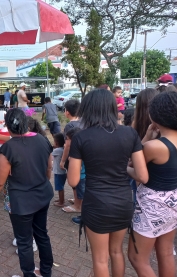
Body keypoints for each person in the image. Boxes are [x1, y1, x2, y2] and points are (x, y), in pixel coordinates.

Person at [67, 88, 148, 277]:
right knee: (116, 252)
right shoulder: (130, 133)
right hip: (123, 201)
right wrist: (122, 169)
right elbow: (143, 176)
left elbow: (73, 180)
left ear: (88, 109)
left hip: (97, 204)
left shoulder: (81, 137)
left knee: (100, 259)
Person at [0, 108, 54, 277]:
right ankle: (46, 272)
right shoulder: (42, 140)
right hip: (42, 196)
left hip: (21, 203)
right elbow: (48, 168)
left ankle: (29, 274)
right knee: (42, 235)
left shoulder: (8, 149)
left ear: (8, 127)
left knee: (24, 242)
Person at [128, 91, 177, 277]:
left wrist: (147, 137)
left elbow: (134, 167)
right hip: (172, 203)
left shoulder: (154, 147)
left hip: (153, 207)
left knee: (137, 257)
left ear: (154, 115)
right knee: (165, 252)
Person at [59, 99, 81, 208]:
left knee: (74, 180)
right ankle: (77, 199)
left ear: (67, 112)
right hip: (83, 157)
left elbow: (67, 145)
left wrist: (63, 161)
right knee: (81, 180)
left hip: (73, 157)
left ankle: (77, 205)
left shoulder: (69, 126)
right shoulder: (84, 122)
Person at [64, 127, 85, 216]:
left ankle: (78, 207)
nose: (66, 142)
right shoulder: (83, 146)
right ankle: (77, 201)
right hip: (82, 176)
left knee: (82, 193)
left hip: (81, 177)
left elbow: (78, 167)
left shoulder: (79, 150)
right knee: (79, 191)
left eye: (68, 139)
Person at [52, 133, 66, 208]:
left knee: (59, 187)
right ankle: (61, 199)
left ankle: (61, 202)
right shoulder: (63, 149)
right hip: (62, 172)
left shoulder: (57, 150)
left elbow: (50, 155)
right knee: (61, 186)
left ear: (56, 142)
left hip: (58, 172)